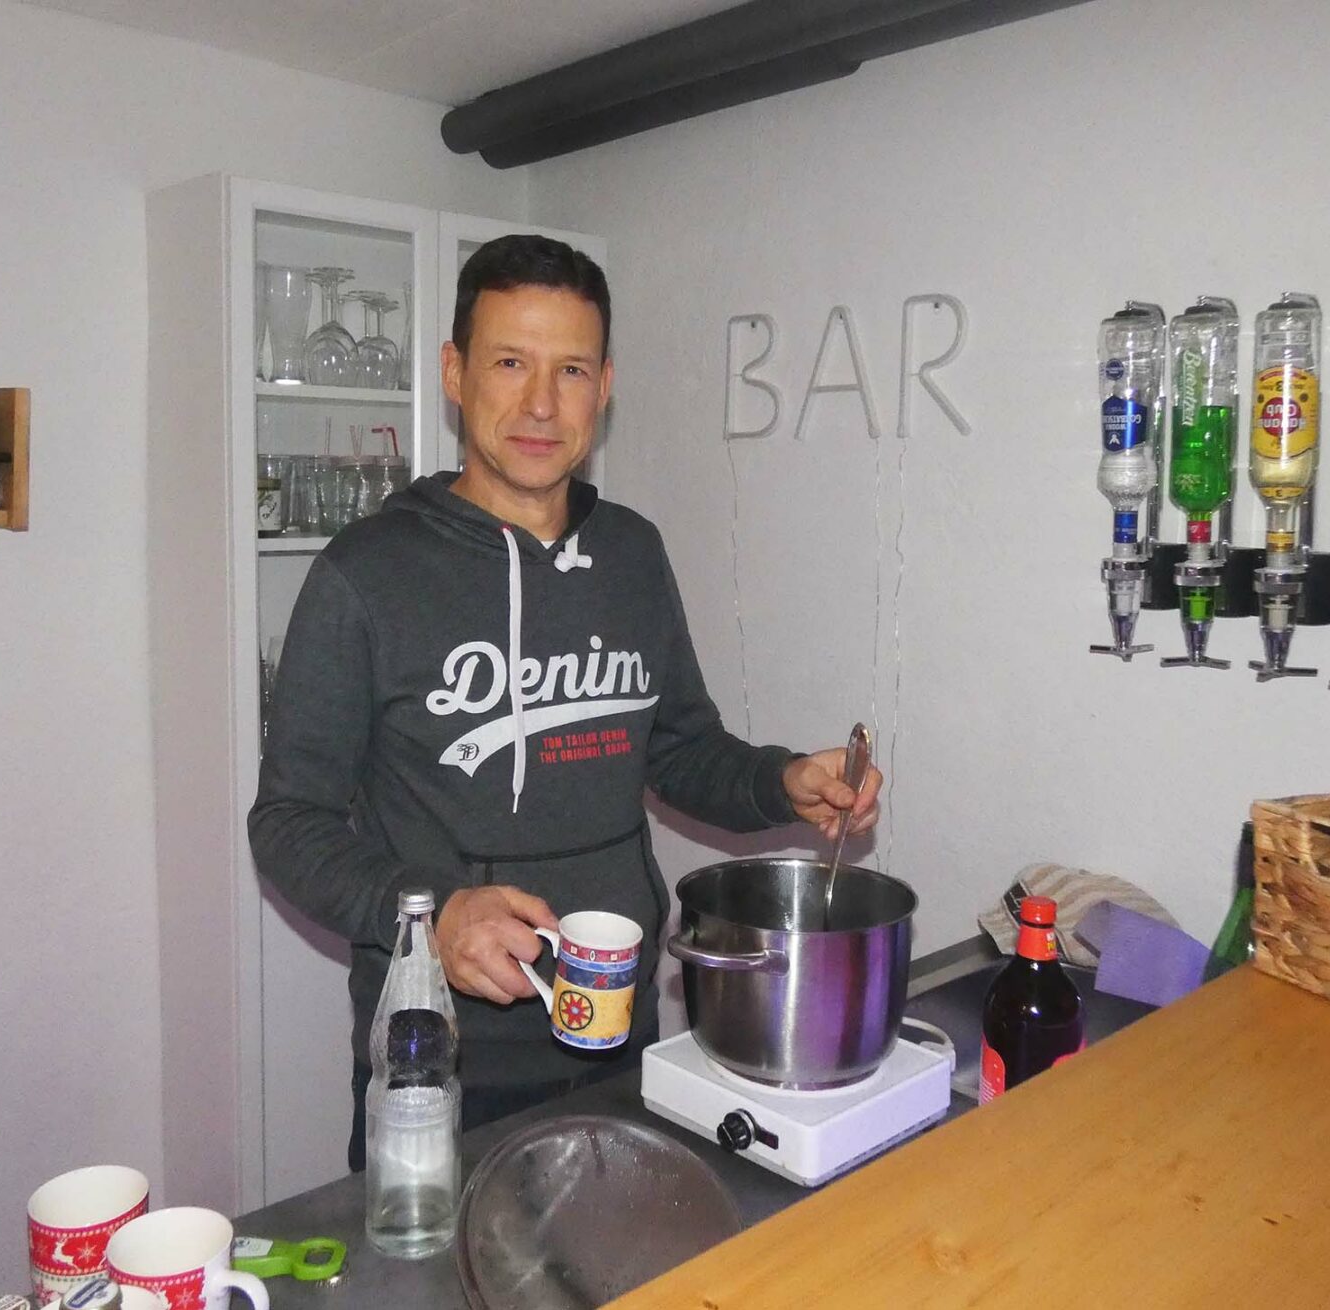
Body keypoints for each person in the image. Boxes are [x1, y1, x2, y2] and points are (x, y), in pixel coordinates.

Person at [248, 234, 883, 1170]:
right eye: (511, 363)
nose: (542, 404)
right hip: (440, 1063)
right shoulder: (365, 575)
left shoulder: (632, 553)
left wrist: (781, 781)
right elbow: (288, 823)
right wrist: (431, 914)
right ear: (455, 374)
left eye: (572, 370)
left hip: (618, 1037)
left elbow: (680, 748)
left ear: (605, 386)